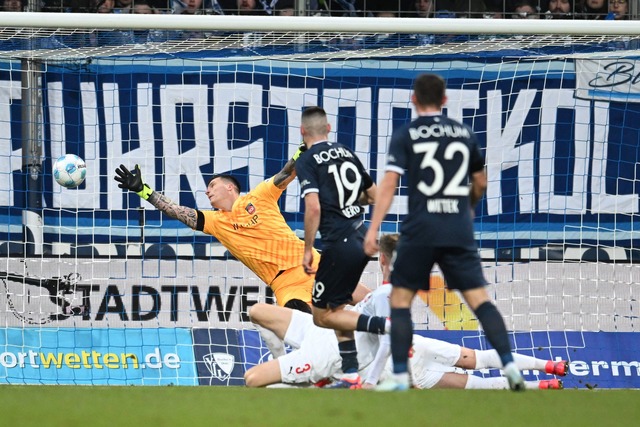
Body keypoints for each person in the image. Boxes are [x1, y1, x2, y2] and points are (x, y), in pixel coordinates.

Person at [363, 73, 526, 392]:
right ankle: (509, 365)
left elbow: (388, 186)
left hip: (421, 228)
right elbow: (480, 182)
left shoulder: (407, 134)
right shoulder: (464, 133)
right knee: (480, 302)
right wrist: (466, 208)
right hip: (457, 229)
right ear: (445, 100)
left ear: (414, 100)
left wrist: (372, 228)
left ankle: (398, 376)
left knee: (400, 300)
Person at [244, 233, 568, 390]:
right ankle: (546, 371)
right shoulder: (383, 293)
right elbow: (361, 302)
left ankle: (301, 381)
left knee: (252, 379)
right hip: (328, 333)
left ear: (382, 261)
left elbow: (387, 335)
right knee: (258, 309)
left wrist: (369, 380)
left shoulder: (387, 293)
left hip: (334, 356)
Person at [114, 144, 370, 311]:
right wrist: (143, 190)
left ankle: (402, 350)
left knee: (372, 303)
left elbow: (284, 174)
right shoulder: (215, 222)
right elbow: (178, 212)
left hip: (314, 262)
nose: (207, 191)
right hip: (286, 285)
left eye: (212, 185)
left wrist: (298, 155)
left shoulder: (259, 196)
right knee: (313, 329)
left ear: (229, 187)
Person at [294, 106, 389, 389]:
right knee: (337, 305)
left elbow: (313, 207)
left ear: (302, 132)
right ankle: (350, 373)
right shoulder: (346, 152)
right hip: (360, 235)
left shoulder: (308, 160)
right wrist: (347, 204)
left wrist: (308, 248)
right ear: (329, 128)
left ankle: (388, 327)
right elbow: (373, 195)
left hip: (339, 243)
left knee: (322, 315)